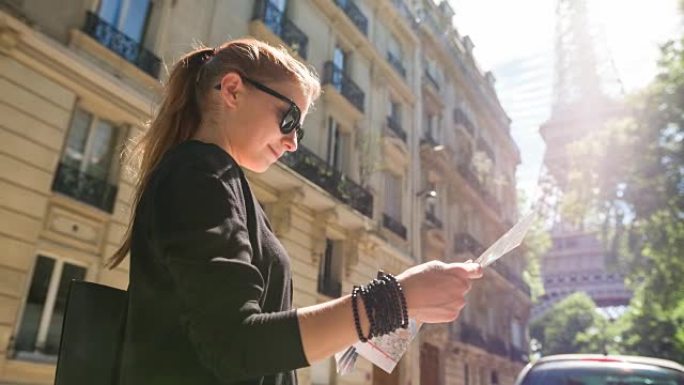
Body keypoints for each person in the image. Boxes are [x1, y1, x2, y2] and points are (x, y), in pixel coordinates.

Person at [108, 38, 482, 385]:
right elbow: (237, 343)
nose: (291, 143)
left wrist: (396, 302)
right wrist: (396, 298)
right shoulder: (196, 171)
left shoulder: (221, 181)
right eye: (288, 120)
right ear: (232, 89)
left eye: (299, 132)